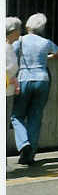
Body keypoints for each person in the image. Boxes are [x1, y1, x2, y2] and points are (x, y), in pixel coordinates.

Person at [10, 13, 58, 165]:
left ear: (27, 26)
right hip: (42, 80)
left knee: (16, 116)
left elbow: (11, 57)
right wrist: (47, 57)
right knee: (35, 117)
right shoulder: (45, 42)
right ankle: (29, 156)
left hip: (24, 79)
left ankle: (24, 144)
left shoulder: (20, 41)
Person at [6, 17, 22, 153]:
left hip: (9, 91)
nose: (20, 32)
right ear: (13, 31)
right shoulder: (5, 48)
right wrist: (11, 80)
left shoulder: (9, 47)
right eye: (18, 29)